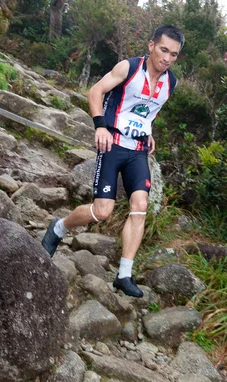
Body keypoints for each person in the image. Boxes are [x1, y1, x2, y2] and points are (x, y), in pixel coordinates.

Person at [42, 25, 185, 297]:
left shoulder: (171, 83)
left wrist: (149, 132)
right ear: (152, 45)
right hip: (113, 144)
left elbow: (148, 111)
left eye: (174, 54)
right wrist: (99, 126)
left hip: (138, 150)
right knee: (102, 211)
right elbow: (95, 92)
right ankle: (58, 227)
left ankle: (124, 274)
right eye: (164, 50)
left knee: (140, 205)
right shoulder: (128, 68)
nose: (167, 58)